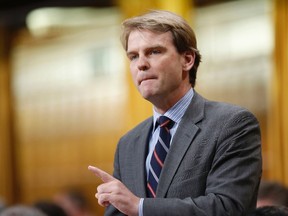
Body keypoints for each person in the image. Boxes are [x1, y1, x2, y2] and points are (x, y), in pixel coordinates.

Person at [88, 9, 262, 216]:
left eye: (154, 51)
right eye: (133, 56)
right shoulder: (128, 143)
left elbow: (228, 207)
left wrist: (140, 207)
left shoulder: (232, 124)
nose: (141, 64)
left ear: (187, 60)